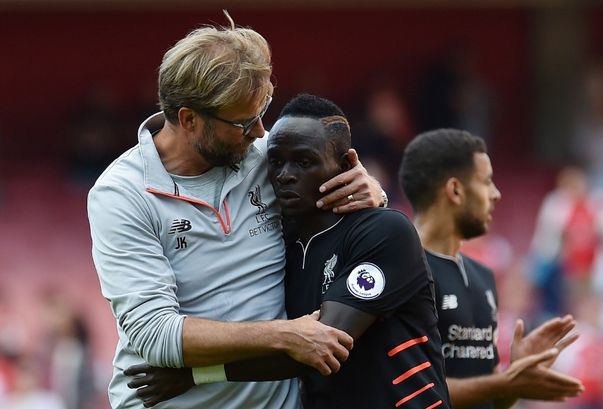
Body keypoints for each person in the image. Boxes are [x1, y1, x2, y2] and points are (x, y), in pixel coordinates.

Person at [87, 15, 385, 409]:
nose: (261, 132)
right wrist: (284, 335)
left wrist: (372, 194)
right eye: (244, 122)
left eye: (263, 112)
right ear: (189, 120)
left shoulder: (269, 159)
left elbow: (359, 230)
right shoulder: (121, 194)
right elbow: (157, 335)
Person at [125, 94, 451, 409]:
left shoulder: (383, 232)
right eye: (276, 162)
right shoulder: (281, 242)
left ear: (347, 164)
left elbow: (320, 345)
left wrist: (197, 375)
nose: (285, 175)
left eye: (305, 162)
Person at [398, 128, 585, 409]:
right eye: (486, 182)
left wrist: (515, 377)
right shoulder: (403, 271)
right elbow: (416, 391)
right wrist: (509, 380)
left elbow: (492, 401)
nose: (496, 194)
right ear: (455, 190)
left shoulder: (483, 277)